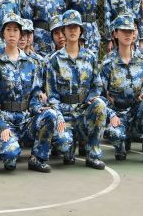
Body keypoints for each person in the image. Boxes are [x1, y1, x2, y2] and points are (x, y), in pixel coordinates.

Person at [0, 15, 67, 173]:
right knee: (9, 158)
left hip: (27, 122)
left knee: (50, 114)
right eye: (8, 29)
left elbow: (35, 96)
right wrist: (1, 125)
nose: (12, 33)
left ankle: (37, 158)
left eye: (16, 30)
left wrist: (38, 109)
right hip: (7, 123)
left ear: (21, 33)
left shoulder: (32, 64)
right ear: (3, 33)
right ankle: (11, 149)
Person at [44, 10, 108, 169]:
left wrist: (91, 99)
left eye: (76, 27)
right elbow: (52, 95)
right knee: (63, 145)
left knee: (100, 105)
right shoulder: (54, 60)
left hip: (84, 112)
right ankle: (70, 146)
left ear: (80, 31)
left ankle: (93, 153)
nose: (72, 30)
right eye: (69, 27)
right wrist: (59, 117)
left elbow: (97, 85)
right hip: (65, 115)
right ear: (64, 31)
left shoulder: (90, 57)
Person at [100, 12, 143, 164]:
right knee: (114, 134)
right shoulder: (108, 63)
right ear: (115, 34)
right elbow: (100, 95)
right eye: (123, 31)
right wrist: (111, 115)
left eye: (130, 30)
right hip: (118, 113)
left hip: (137, 112)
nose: (128, 34)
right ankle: (122, 143)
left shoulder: (142, 59)